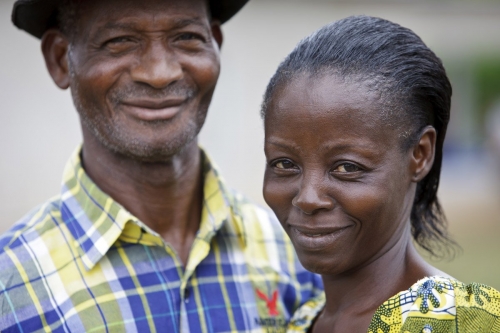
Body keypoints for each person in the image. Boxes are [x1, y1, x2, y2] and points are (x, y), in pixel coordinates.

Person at [0, 0, 322, 332]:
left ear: (215, 45)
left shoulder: (296, 257)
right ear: (60, 60)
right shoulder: (12, 290)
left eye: (185, 37)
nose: (159, 73)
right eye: (119, 42)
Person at [260, 15, 500, 333]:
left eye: (347, 167)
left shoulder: (466, 323)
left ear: (420, 155)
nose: (307, 198)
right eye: (284, 164)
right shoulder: (296, 323)